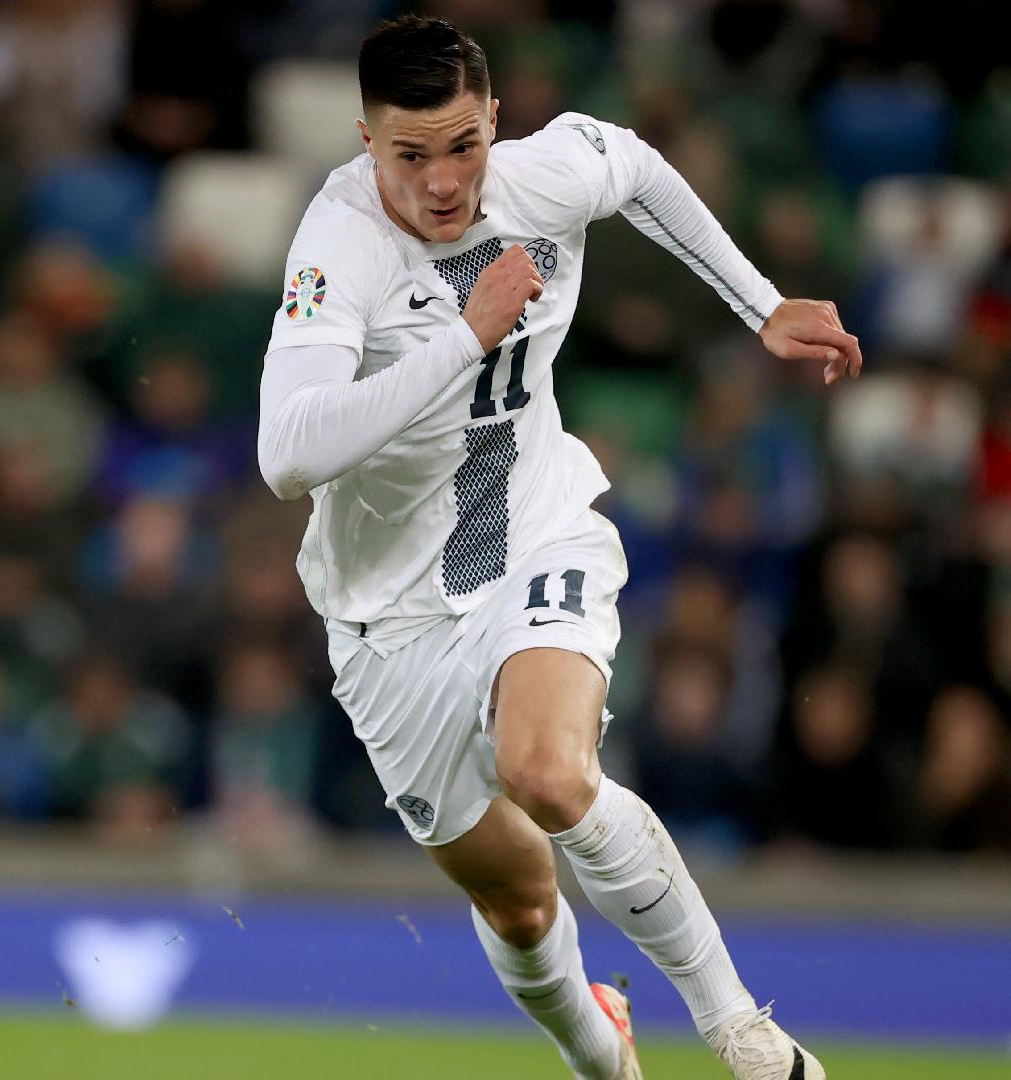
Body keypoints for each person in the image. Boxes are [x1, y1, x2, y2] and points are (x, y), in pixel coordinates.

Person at [256, 17, 859, 1080]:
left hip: (533, 528)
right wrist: (466, 335)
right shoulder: (338, 243)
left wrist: (760, 306)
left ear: (494, 119)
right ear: (365, 138)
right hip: (389, 618)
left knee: (547, 770)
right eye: (410, 155)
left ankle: (744, 1035)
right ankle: (600, 1052)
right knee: (520, 901)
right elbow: (287, 455)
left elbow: (637, 169)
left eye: (463, 145)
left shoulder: (546, 174)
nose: (444, 182)